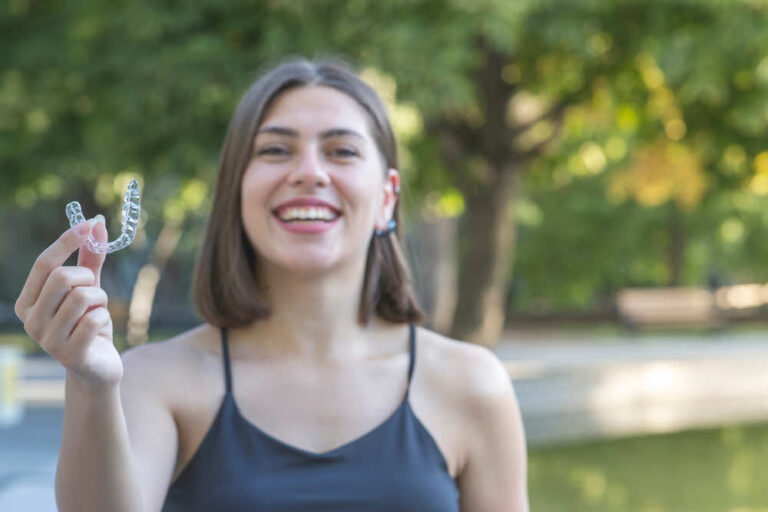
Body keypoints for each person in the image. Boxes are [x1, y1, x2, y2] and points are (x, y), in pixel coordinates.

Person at [14, 56, 529, 511]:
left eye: (342, 151)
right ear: (237, 189)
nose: (309, 172)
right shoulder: (154, 380)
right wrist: (90, 382)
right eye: (276, 151)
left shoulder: (471, 385)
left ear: (388, 198)